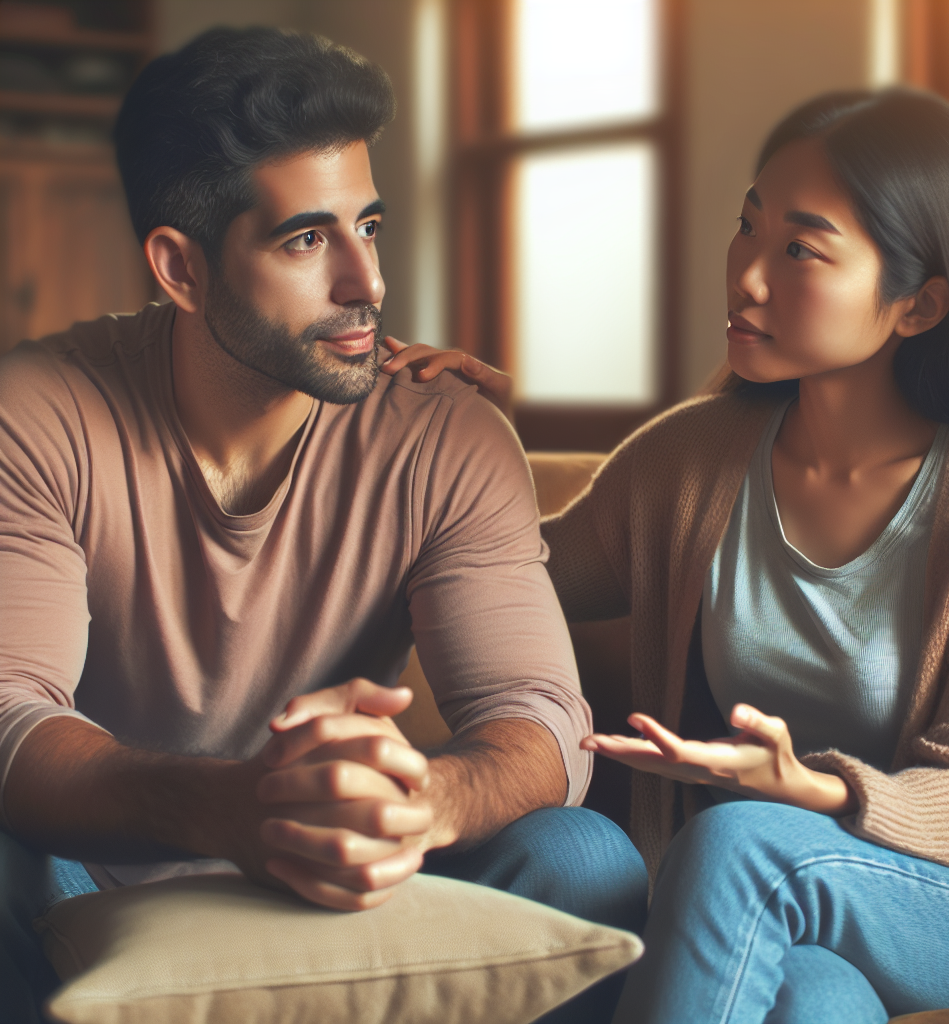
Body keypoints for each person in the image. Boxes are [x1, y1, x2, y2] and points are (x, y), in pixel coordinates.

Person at [0, 27, 648, 1024]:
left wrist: (426, 799)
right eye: (308, 239)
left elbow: (541, 717)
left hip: (361, 875)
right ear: (180, 269)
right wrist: (230, 806)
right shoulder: (36, 411)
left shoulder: (446, 434)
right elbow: (12, 719)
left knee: (586, 856)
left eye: (370, 227)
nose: (367, 283)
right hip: (90, 885)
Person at [381, 88, 949, 1022]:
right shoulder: (694, 459)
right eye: (747, 228)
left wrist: (804, 787)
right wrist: (476, 441)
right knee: (808, 993)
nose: (748, 276)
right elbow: (517, 574)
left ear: (918, 305)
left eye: (800, 249)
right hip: (759, 895)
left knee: (738, 842)